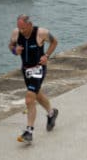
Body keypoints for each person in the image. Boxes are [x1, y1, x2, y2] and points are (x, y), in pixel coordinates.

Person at [9, 15, 59, 144]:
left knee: (29, 98)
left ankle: (29, 132)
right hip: (25, 70)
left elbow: (54, 42)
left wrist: (46, 55)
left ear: (30, 24)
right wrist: (15, 50)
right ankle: (51, 113)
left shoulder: (41, 33)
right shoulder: (16, 33)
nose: (21, 31)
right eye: (19, 28)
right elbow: (11, 46)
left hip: (38, 69)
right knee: (36, 95)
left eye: (23, 28)